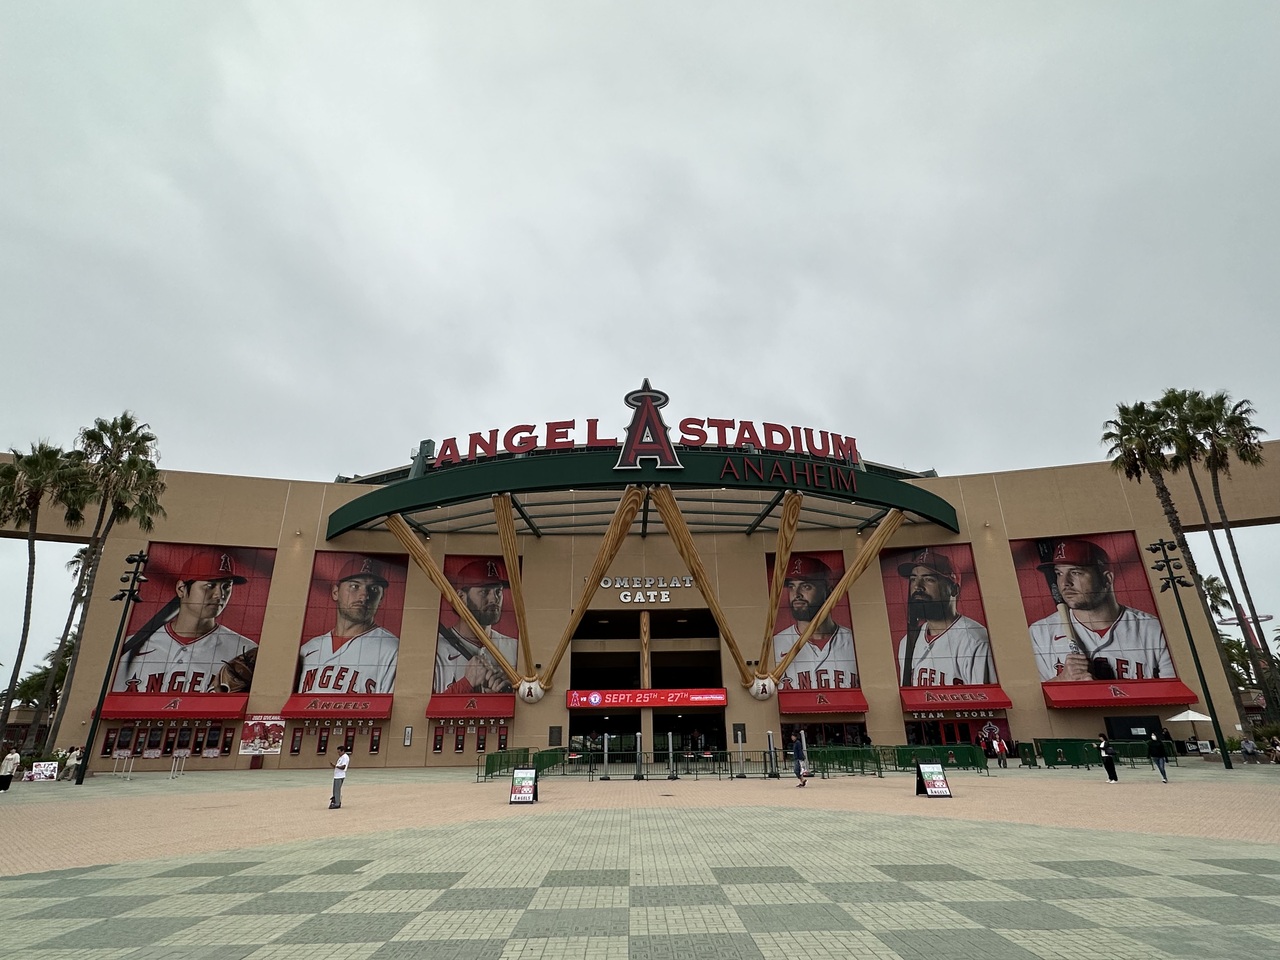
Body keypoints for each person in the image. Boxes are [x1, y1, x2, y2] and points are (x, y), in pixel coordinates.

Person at [1029, 539, 1174, 682]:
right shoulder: (1040, 632)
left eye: (1076, 572)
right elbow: (1030, 696)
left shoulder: (1154, 629)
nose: (1065, 583)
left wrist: (1101, 691)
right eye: (1059, 573)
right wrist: (1062, 680)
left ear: (1107, 579)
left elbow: (1175, 692)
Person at [114, 551, 256, 694]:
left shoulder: (246, 652)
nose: (219, 595)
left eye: (226, 586)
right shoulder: (129, 647)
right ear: (181, 589)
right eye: (210, 585)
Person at [297, 556, 400, 694]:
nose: (364, 596)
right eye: (354, 586)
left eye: (374, 589)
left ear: (381, 599)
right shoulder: (307, 650)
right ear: (335, 592)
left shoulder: (393, 650)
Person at [895, 550, 995, 686]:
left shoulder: (976, 642)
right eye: (913, 579)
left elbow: (987, 698)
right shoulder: (907, 642)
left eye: (929, 579)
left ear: (954, 589)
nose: (917, 586)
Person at [772, 555, 857, 691]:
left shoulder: (854, 643)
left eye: (806, 586)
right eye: (792, 587)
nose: (796, 594)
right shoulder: (775, 646)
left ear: (829, 592)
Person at [435, 558, 518, 694]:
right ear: (461, 597)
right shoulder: (436, 651)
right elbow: (422, 705)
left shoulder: (515, 648)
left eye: (498, 591)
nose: (494, 599)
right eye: (484, 592)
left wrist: (508, 696)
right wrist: (466, 683)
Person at [329, 744, 349, 809]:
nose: (338, 753)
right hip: (337, 775)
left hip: (340, 776)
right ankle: (335, 800)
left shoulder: (345, 757)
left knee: (337, 790)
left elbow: (343, 767)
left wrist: (336, 766)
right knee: (335, 790)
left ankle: (337, 803)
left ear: (343, 751)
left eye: (339, 752)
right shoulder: (341, 757)